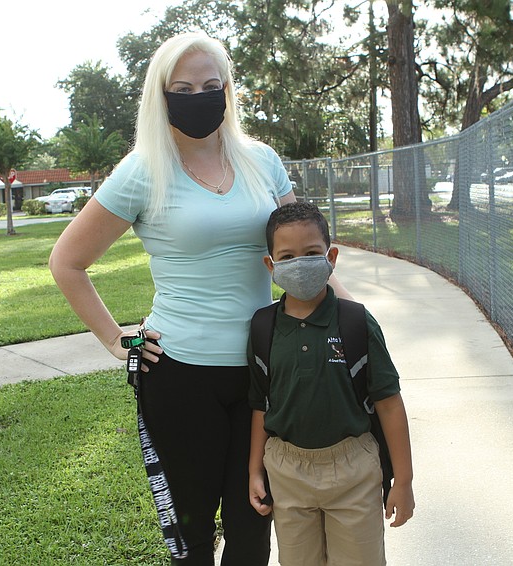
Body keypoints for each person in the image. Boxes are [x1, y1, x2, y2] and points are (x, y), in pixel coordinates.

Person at [49, 33, 349, 565]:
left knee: (253, 524)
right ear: (161, 95)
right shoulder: (143, 170)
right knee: (190, 534)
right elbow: (67, 262)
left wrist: (352, 319)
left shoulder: (262, 161)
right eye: (183, 87)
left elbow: (306, 253)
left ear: (229, 90)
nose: (199, 96)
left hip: (266, 368)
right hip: (180, 372)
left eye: (212, 85)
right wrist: (116, 339)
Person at [247, 201, 415, 566]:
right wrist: (254, 470)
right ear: (270, 266)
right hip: (287, 471)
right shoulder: (263, 327)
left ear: (331, 256)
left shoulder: (356, 322)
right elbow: (262, 404)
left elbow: (388, 403)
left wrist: (403, 481)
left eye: (311, 253)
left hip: (353, 468)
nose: (300, 263)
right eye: (287, 256)